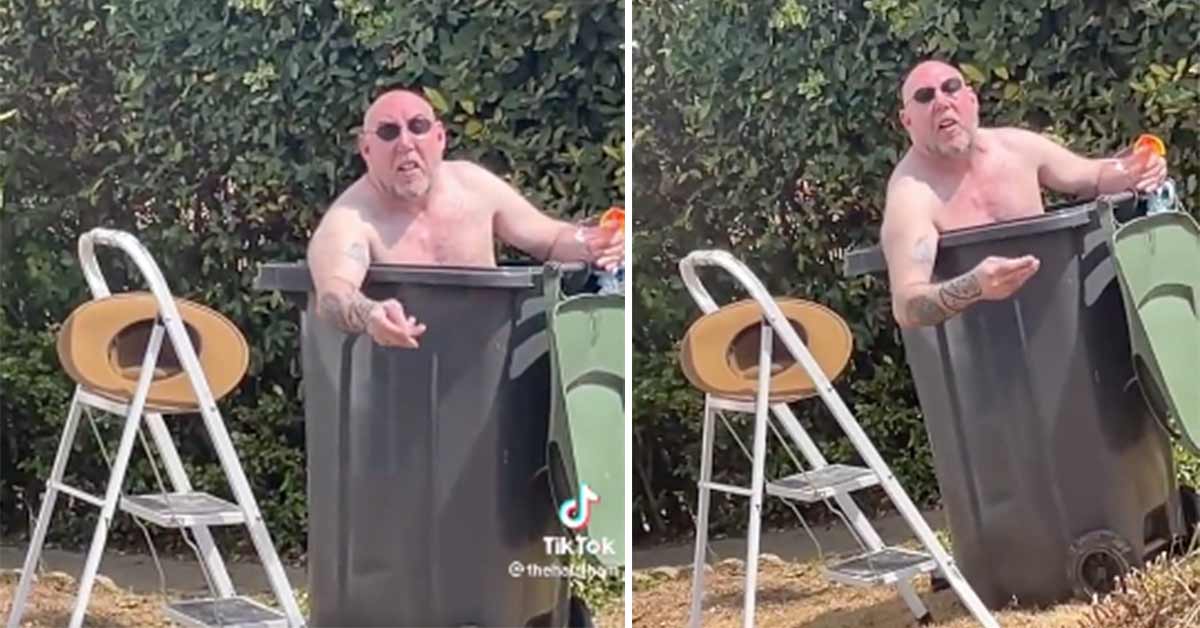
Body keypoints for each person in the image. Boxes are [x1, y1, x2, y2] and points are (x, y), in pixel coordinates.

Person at [306, 89, 624, 347]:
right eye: (389, 132)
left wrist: (598, 244)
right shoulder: (351, 219)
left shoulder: (474, 187)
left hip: (489, 375)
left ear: (440, 138)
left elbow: (552, 240)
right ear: (366, 149)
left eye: (418, 127)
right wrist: (370, 313)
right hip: (401, 386)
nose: (406, 143)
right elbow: (334, 293)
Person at [880, 60, 1167, 328]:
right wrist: (972, 287)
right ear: (907, 121)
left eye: (951, 88)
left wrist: (1136, 170)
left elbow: (1094, 176)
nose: (942, 102)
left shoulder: (1017, 148)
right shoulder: (912, 195)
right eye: (925, 97)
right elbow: (906, 306)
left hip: (1060, 325)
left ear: (971, 99)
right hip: (984, 350)